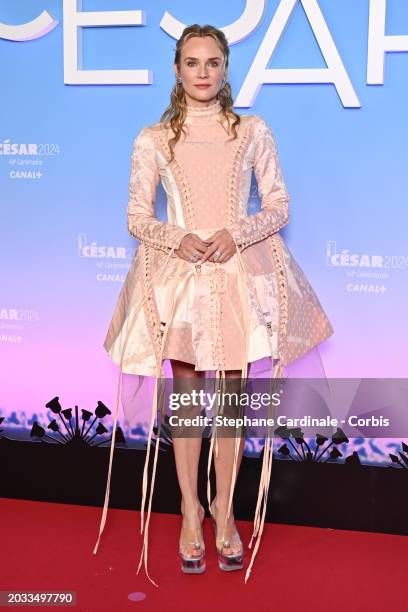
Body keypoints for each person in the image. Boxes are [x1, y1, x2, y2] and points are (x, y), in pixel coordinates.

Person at [92, 24, 334, 586]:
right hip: (180, 278)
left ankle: (226, 511)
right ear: (177, 70)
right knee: (185, 404)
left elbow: (278, 205)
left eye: (213, 63)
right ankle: (189, 512)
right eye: (193, 63)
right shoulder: (154, 138)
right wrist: (178, 238)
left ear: (226, 69)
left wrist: (237, 232)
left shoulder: (252, 130)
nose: (203, 73)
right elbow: (136, 216)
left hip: (235, 274)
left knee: (229, 402)